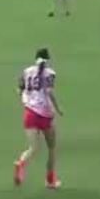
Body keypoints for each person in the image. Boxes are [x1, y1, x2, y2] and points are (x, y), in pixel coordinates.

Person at [14, 48, 63, 190]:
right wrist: (58, 108)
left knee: (33, 148)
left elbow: (19, 89)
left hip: (30, 113)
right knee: (52, 147)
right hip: (45, 115)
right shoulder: (50, 74)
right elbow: (49, 92)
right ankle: (50, 180)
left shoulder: (27, 71)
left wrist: (26, 99)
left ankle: (21, 163)